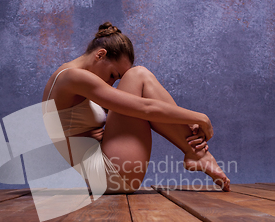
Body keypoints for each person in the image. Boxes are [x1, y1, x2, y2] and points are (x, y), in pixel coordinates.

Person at [42, 22, 230, 193]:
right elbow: (145, 108)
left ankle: (196, 154)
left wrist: (185, 121)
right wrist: (200, 117)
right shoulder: (72, 78)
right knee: (138, 75)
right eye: (113, 75)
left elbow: (143, 110)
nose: (112, 83)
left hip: (108, 172)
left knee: (138, 79)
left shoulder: (65, 76)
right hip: (111, 175)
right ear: (100, 55)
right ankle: (198, 155)